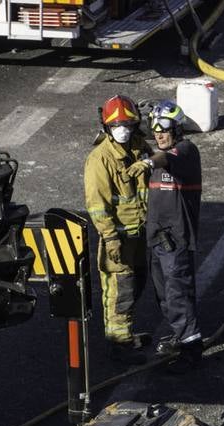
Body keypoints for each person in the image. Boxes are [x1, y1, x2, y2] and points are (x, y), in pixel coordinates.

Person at [84, 95, 152, 364]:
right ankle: (119, 344)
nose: (122, 129)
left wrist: (148, 162)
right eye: (116, 126)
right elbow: (97, 205)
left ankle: (127, 333)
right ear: (106, 128)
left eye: (127, 124)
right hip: (119, 238)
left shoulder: (137, 146)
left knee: (137, 283)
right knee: (119, 291)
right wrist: (110, 237)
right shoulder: (99, 160)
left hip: (139, 234)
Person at [146, 100, 203, 370]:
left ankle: (191, 349)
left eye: (165, 126)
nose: (159, 132)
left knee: (177, 291)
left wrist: (148, 163)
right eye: (154, 127)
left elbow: (165, 158)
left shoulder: (186, 152)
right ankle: (180, 337)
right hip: (157, 238)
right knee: (164, 294)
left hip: (176, 240)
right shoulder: (158, 153)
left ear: (178, 128)